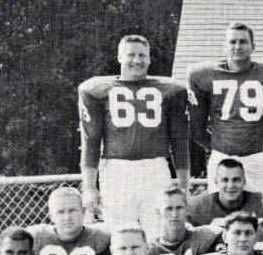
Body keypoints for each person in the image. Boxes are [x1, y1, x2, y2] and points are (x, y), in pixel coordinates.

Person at [78, 33, 189, 230]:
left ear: (149, 59)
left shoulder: (170, 90)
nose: (137, 60)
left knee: (159, 232)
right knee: (119, 233)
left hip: (155, 168)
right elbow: (91, 141)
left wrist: (184, 186)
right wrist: (89, 187)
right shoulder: (98, 90)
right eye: (131, 55)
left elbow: (179, 142)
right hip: (116, 169)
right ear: (120, 57)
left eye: (142, 55)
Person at [187, 22, 263, 195]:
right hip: (221, 158)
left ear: (253, 46)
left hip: (259, 159)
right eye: (232, 42)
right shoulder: (204, 75)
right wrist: (217, 145)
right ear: (224, 46)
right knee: (219, 214)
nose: (237, 46)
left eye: (243, 42)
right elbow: (195, 127)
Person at [29, 186, 112, 255]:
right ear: (51, 216)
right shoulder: (37, 238)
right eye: (60, 212)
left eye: (72, 210)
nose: (67, 217)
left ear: (83, 211)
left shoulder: (101, 239)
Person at [145, 186, 224, 255]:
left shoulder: (206, 236)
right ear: (158, 212)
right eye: (169, 209)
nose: (174, 215)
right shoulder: (149, 247)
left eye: (179, 208)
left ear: (187, 210)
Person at [187, 158, 263, 229]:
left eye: (236, 180)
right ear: (216, 182)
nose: (230, 186)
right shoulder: (197, 206)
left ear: (244, 182)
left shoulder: (261, 203)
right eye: (225, 180)